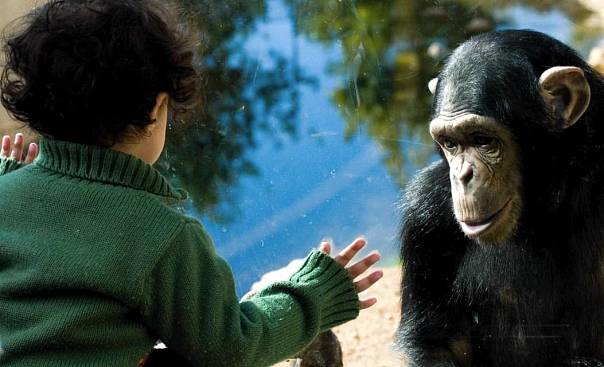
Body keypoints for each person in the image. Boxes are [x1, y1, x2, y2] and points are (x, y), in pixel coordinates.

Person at [0, 1, 383, 366]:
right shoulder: (161, 234)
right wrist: (313, 295)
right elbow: (231, 348)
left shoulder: (7, 196)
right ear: (156, 107)